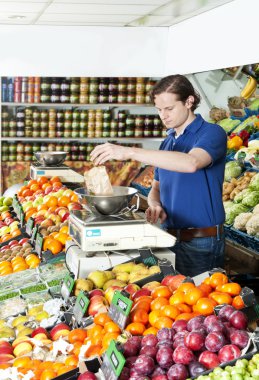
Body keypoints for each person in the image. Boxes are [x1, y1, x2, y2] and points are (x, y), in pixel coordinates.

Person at [90, 74, 227, 277]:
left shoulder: (212, 133)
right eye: (159, 110)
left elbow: (191, 163)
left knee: (198, 304)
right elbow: (156, 188)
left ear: (189, 101)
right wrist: (155, 204)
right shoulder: (168, 141)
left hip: (201, 243)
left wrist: (130, 152)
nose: (163, 115)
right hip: (167, 237)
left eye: (169, 109)